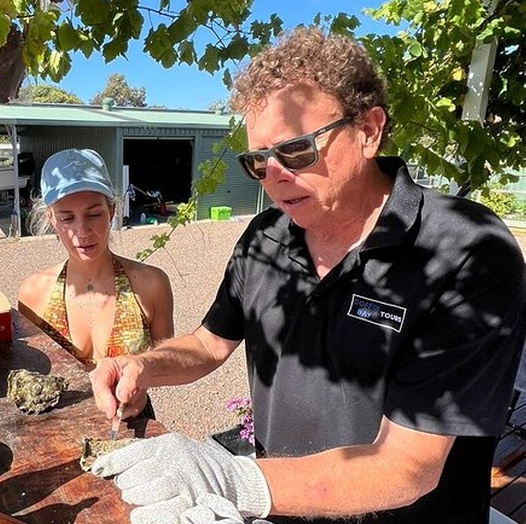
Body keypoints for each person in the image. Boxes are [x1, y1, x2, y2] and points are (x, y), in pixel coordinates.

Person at [89, 27, 526, 524]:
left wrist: (230, 479)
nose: (274, 174)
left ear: (368, 130)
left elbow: (408, 468)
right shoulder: (266, 238)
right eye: (258, 161)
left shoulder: (464, 251)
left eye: (296, 150)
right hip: (284, 506)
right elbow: (209, 343)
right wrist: (143, 365)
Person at [18, 148, 174, 419]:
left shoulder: (151, 285)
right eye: (67, 217)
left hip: (131, 423)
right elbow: (30, 374)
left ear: (112, 210)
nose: (82, 231)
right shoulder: (33, 293)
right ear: (51, 219)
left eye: (93, 214)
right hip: (60, 430)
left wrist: (143, 385)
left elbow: (166, 363)